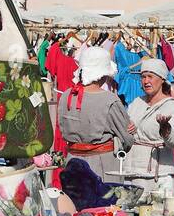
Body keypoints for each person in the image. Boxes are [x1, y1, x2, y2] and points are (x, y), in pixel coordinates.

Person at [56, 45, 135, 177]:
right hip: (102, 166)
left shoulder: (66, 95)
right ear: (103, 74)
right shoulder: (109, 100)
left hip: (71, 162)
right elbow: (127, 139)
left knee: (73, 197)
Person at [120, 59, 174, 187]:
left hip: (160, 174)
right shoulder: (136, 103)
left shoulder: (171, 106)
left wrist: (166, 130)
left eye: (150, 76)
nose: (146, 81)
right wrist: (126, 129)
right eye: (143, 77)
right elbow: (125, 133)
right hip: (133, 171)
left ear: (161, 79)